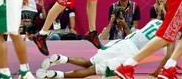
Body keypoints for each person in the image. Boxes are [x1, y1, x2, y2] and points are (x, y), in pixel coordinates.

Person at [35, 19, 174, 78]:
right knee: (92, 71)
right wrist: (157, 72)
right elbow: (168, 57)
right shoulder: (171, 35)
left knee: (90, 62)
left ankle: (62, 58)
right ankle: (57, 75)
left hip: (121, 42)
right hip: (130, 53)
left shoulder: (155, 21)